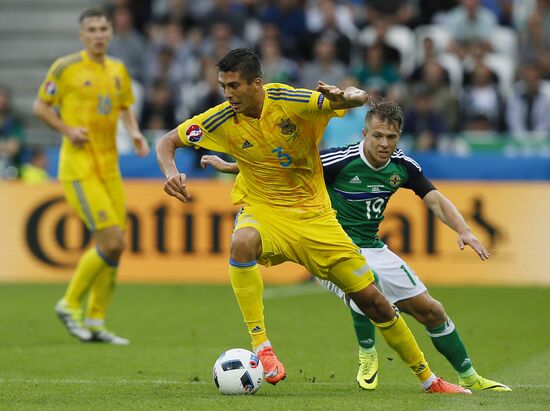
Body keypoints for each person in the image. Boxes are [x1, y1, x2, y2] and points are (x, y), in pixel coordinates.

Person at [156, 48, 470, 393]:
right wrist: (171, 173)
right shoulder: (221, 117)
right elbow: (168, 141)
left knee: (374, 301)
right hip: (265, 211)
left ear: (257, 84)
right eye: (223, 85)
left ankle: (429, 379)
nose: (227, 93)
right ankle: (263, 347)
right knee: (241, 242)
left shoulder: (290, 101)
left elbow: (351, 101)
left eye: (234, 85)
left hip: (315, 217)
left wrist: (351, 95)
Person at [201, 98, 511, 393]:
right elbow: (282, 168)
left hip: (374, 247)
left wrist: (464, 230)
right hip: (329, 246)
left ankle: (470, 377)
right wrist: (231, 167)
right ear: (364, 134)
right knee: (367, 281)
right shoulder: (338, 160)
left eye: (391, 136)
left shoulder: (403, 166)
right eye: (377, 135)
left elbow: (435, 199)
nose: (384, 143)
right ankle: (367, 352)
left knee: (432, 311)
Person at [32, 8, 150, 345]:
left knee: (117, 248)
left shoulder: (118, 70)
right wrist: (67, 129)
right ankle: (69, 303)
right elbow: (41, 107)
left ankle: (96, 319)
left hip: (109, 167)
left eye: (104, 29)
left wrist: (136, 132)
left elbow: (125, 105)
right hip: (79, 168)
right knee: (111, 241)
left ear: (111, 33)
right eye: (92, 29)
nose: (99, 34)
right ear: (82, 35)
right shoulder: (65, 68)